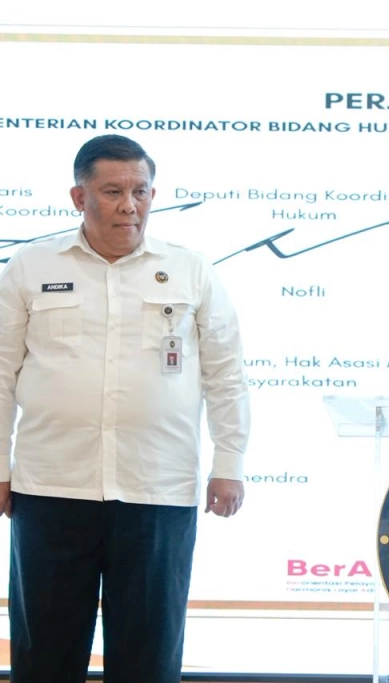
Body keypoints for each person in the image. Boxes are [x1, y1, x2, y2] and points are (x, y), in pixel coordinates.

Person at [0, 134, 250, 683]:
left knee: (149, 656)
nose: (129, 205)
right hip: (51, 487)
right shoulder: (30, 266)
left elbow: (226, 374)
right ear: (79, 197)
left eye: (141, 191)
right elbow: (0, 372)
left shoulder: (191, 270)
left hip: (157, 487)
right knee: (45, 652)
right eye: (112, 191)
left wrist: (228, 463)